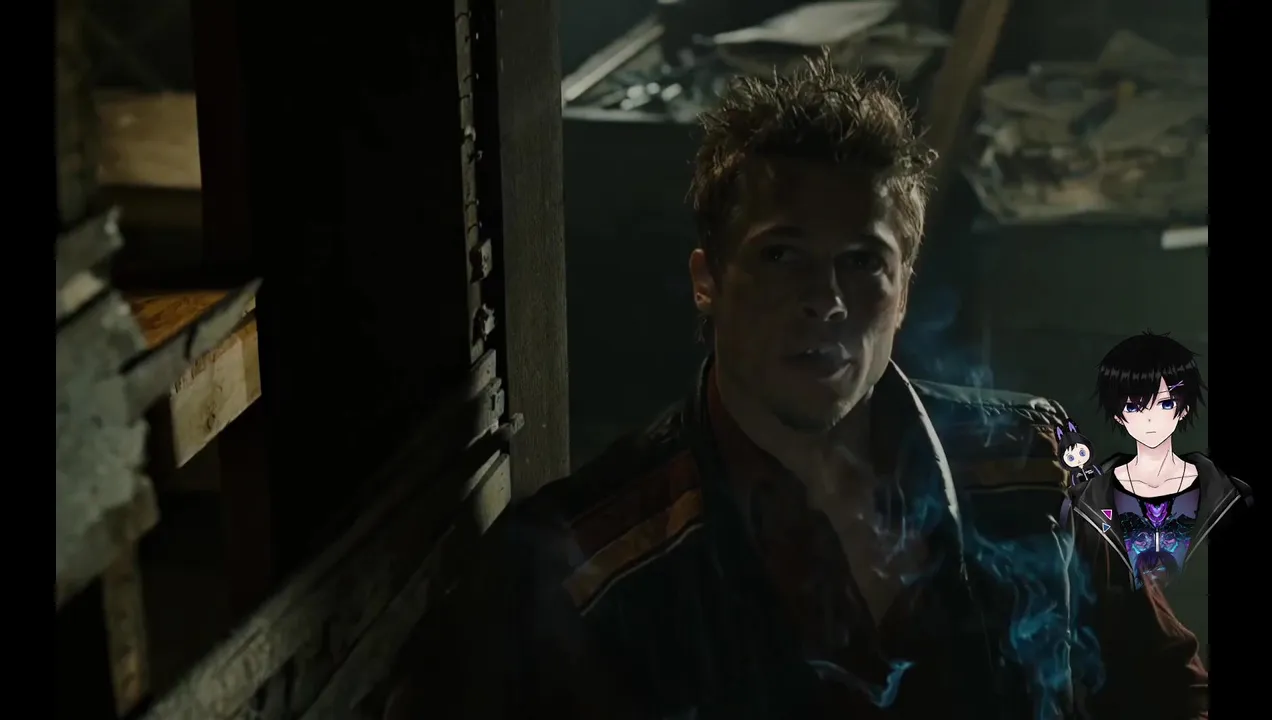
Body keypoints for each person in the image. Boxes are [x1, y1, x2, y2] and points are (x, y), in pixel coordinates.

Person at [386, 56, 1207, 720]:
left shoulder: (1029, 463)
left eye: (863, 262)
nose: (828, 301)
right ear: (708, 280)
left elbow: (1170, 684)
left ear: (904, 291)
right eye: (782, 256)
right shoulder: (590, 566)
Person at [1061, 332, 1249, 717]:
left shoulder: (1225, 494)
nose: (1149, 419)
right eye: (1134, 406)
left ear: (1183, 408)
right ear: (1119, 414)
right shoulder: (1091, 502)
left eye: (1163, 403)